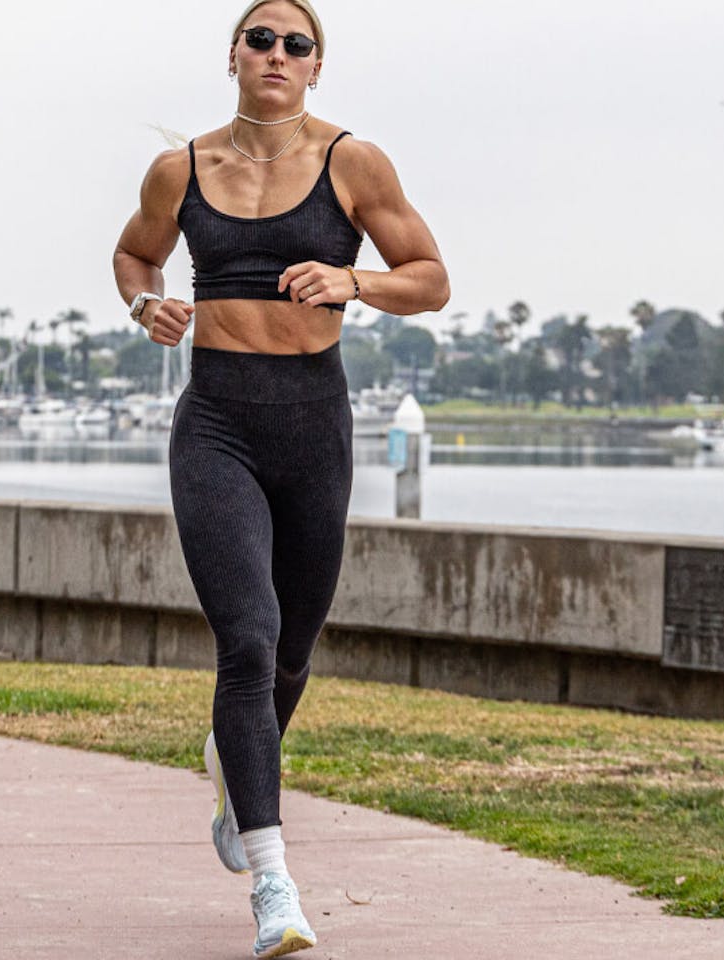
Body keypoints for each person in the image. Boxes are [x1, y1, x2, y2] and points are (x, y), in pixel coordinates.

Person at [112, 2, 448, 955]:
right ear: (232, 57)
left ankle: (234, 764)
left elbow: (429, 276)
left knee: (292, 650)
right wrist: (146, 302)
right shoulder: (181, 168)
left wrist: (355, 283)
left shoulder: (354, 163)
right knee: (248, 641)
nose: (275, 53)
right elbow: (134, 251)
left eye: (295, 43)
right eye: (259, 38)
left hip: (312, 423)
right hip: (215, 420)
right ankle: (273, 881)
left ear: (315, 68)